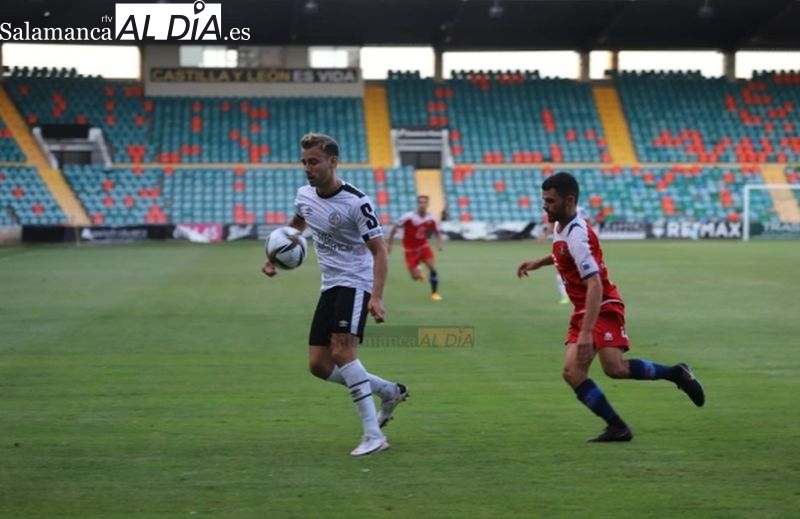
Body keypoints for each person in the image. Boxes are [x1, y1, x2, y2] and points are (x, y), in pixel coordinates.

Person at [516, 171, 704, 442]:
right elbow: (562, 250)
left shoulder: (578, 235)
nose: (544, 205)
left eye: (550, 201)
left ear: (569, 201)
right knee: (581, 371)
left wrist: (585, 333)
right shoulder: (563, 226)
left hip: (601, 304)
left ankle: (674, 374)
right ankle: (618, 426)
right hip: (584, 308)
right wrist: (538, 262)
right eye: (543, 200)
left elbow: (595, 284)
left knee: (610, 369)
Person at [261, 133, 408, 456]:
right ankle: (389, 391)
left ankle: (373, 435)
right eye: (304, 162)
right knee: (318, 364)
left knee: (343, 353)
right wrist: (273, 257)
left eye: (313, 161)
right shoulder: (304, 194)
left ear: (332, 161)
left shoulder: (357, 202)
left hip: (356, 282)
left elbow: (380, 252)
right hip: (329, 284)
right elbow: (298, 222)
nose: (307, 168)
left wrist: (377, 297)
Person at [387, 195, 444, 301]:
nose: (422, 204)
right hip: (409, 250)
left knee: (432, 268)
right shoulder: (408, 217)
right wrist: (390, 244)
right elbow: (394, 228)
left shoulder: (431, 218)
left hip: (423, 247)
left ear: (427, 204)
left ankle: (434, 293)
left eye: (424, 202)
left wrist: (439, 243)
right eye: (420, 202)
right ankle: (419, 272)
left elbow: (437, 232)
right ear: (418, 204)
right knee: (414, 277)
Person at [539, 205, 592, 305]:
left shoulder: (579, 209)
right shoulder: (559, 209)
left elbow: (588, 223)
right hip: (564, 242)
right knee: (562, 269)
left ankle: (586, 293)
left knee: (585, 270)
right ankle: (565, 295)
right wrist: (545, 236)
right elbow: (552, 224)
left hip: (579, 243)